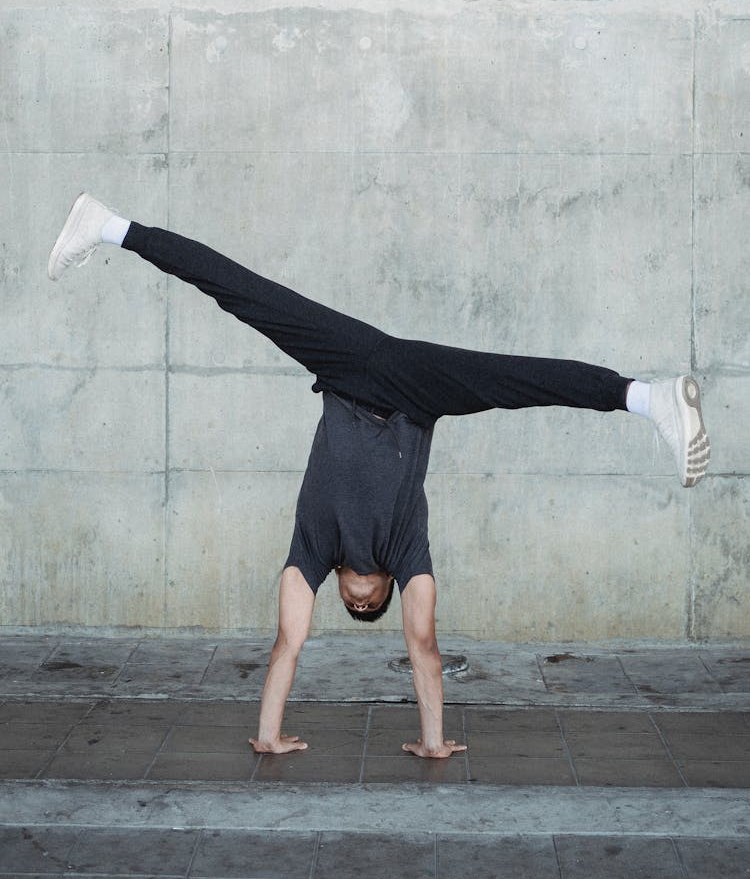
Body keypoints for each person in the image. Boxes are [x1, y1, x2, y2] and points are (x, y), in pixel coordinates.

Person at [48, 192, 710, 759]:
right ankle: (650, 397)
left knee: (242, 293)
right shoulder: (405, 551)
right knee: (516, 379)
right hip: (411, 388)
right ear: (388, 582)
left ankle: (108, 224)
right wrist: (432, 740)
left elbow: (288, 642)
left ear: (338, 582)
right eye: (374, 602)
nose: (363, 597)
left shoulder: (315, 551)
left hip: (348, 367)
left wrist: (268, 733)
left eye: (353, 603)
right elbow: (423, 645)